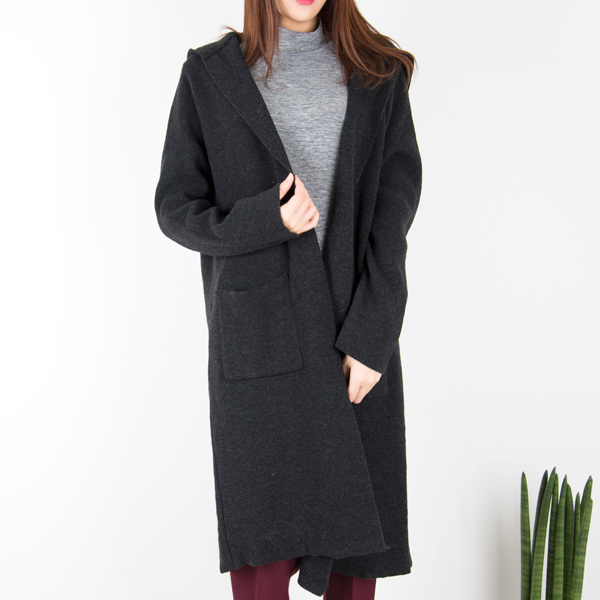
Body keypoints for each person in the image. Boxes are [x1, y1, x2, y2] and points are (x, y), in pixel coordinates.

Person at [154, 0, 422, 598]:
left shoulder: (379, 74)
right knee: (265, 563)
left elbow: (393, 219)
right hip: (259, 344)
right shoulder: (210, 74)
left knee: (354, 556)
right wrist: (265, 219)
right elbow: (174, 207)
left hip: (353, 340)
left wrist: (375, 335)